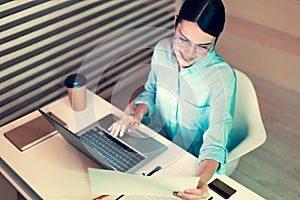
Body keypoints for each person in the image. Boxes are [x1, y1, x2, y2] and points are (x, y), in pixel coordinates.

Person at [108, 0, 236, 199]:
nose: (188, 53)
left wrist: (199, 183)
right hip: (161, 149)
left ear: (215, 41)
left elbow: (215, 144)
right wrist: (137, 113)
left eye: (202, 46)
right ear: (176, 24)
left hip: (193, 163)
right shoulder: (161, 50)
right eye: (183, 40)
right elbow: (151, 92)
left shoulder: (222, 77)